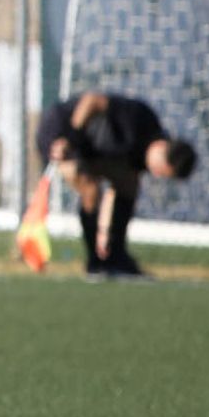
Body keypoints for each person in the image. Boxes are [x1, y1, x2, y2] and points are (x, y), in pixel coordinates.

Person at [22, 91, 198, 279]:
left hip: (91, 153)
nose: (157, 174)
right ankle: (95, 263)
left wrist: (105, 234)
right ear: (163, 149)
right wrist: (70, 138)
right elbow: (92, 100)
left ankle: (116, 257)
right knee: (89, 188)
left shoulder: (141, 158)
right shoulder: (139, 119)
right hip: (62, 132)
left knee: (129, 183)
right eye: (161, 170)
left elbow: (115, 189)